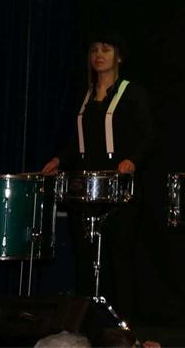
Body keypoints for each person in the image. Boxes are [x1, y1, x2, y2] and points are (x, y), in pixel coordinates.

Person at [41, 31, 154, 319]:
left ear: (119, 56)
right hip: (86, 190)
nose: (99, 55)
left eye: (105, 49)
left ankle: (122, 324)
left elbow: (147, 136)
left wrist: (132, 160)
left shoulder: (132, 93)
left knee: (119, 257)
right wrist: (58, 159)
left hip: (120, 189)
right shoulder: (85, 95)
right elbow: (76, 142)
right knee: (85, 256)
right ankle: (87, 321)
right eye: (94, 50)